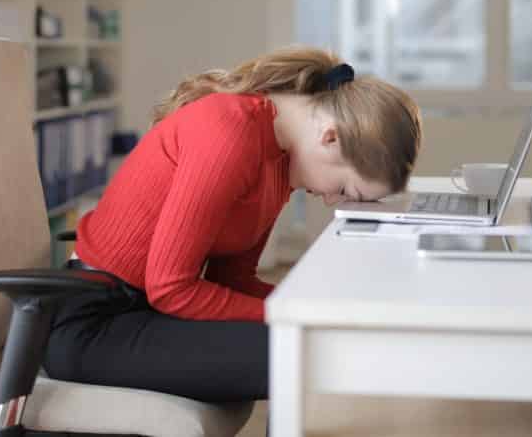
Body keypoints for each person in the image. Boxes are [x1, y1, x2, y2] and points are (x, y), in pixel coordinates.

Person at [43, 46, 422, 404]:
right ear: (331, 137)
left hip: (145, 313)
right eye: (344, 189)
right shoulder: (231, 132)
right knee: (302, 352)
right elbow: (171, 288)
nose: (332, 199)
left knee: (313, 340)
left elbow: (233, 283)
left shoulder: (281, 163)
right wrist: (295, 312)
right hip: (93, 324)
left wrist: (316, 306)